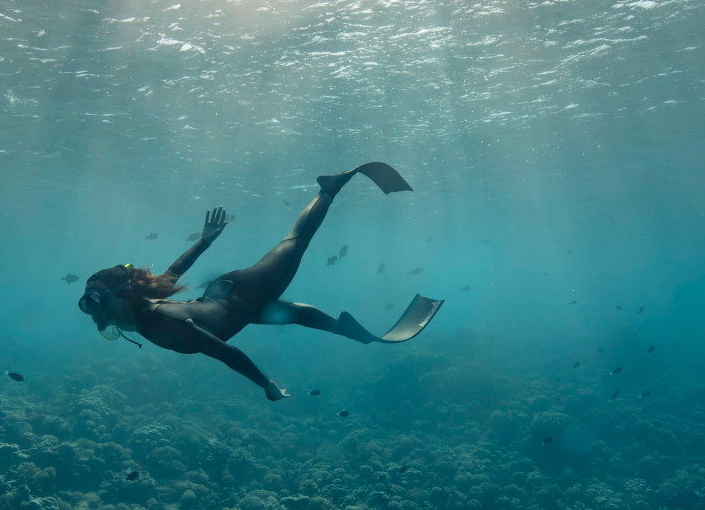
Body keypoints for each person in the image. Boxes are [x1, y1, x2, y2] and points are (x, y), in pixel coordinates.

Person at [77, 162, 443, 400]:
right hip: (232, 304)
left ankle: (329, 188)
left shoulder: (159, 320)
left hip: (241, 294)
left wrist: (266, 385)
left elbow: (225, 352)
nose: (99, 320)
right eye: (96, 315)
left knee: (295, 242)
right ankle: (346, 329)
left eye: (101, 310)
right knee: (294, 313)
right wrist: (204, 240)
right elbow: (174, 271)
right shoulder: (145, 310)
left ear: (123, 296)